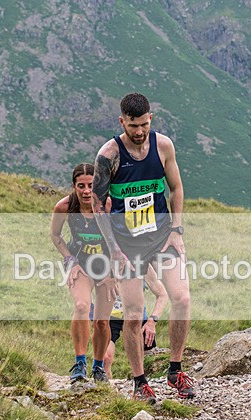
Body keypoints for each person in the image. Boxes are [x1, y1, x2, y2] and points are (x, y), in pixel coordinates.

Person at [92, 92, 194, 402]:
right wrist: (114, 250)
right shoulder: (108, 155)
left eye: (145, 125)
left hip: (162, 235)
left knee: (182, 298)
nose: (139, 132)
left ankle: (175, 369)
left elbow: (175, 188)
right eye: (133, 126)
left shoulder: (163, 147)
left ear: (152, 119)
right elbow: (98, 206)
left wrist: (176, 230)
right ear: (122, 121)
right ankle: (140, 383)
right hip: (127, 245)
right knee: (134, 315)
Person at [50, 163, 116, 384]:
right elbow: (56, 236)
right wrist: (70, 260)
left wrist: (114, 272)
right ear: (73, 186)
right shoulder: (65, 207)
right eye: (81, 186)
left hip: (107, 267)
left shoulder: (107, 205)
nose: (87, 191)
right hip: (81, 265)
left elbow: (121, 239)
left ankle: (98, 367)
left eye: (91, 185)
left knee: (102, 322)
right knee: (81, 306)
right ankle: (79, 364)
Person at [103, 265, 167, 379]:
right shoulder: (104, 260)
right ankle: (106, 390)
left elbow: (162, 294)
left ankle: (144, 388)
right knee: (105, 359)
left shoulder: (143, 263)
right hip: (111, 318)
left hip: (137, 319)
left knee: (146, 362)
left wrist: (152, 321)